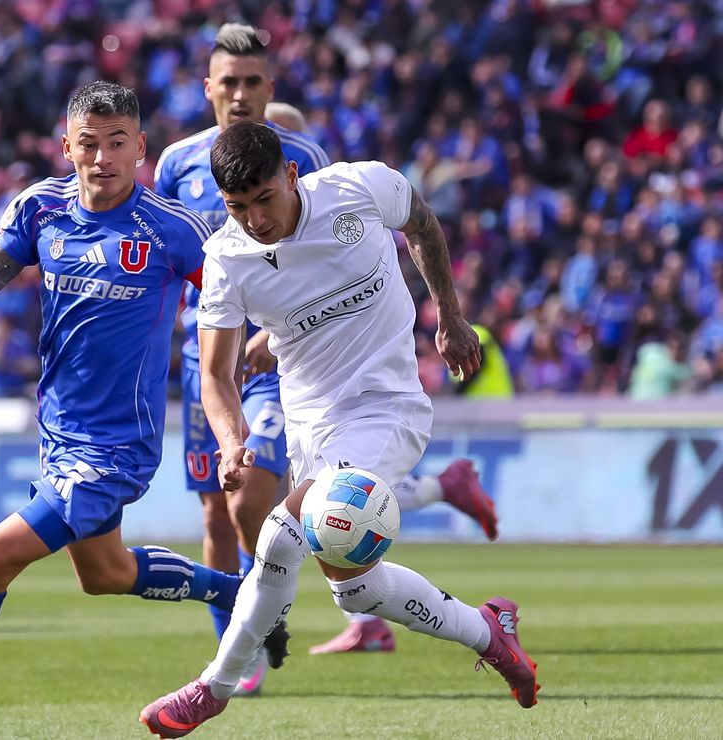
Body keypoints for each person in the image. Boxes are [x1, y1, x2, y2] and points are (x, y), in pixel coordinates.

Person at [0, 82, 280, 738]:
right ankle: (234, 591)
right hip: (59, 435)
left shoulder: (174, 232)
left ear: (140, 149)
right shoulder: (41, 210)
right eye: (89, 144)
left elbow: (243, 290)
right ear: (66, 146)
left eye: (118, 143)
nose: (103, 157)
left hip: (119, 445)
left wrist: (269, 339)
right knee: (106, 575)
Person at [140, 123, 538, 738]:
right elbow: (216, 375)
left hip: (387, 407)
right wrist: (229, 441)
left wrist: (451, 319)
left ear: (290, 176)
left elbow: (424, 226)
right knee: (355, 594)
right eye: (237, 207)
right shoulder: (226, 256)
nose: (255, 219)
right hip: (311, 427)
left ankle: (212, 689)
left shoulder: (358, 187)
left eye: (264, 199)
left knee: (277, 538)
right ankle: (488, 630)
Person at [154, 25, 497, 676]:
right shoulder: (177, 164)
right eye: (229, 82)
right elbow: (185, 255)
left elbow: (319, 257)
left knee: (265, 508)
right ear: (209, 89)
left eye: (254, 81)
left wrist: (272, 331)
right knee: (222, 513)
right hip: (212, 351)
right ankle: (270, 627)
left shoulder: (311, 160)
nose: (241, 94)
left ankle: (243, 658)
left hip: (285, 359)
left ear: (270, 88)